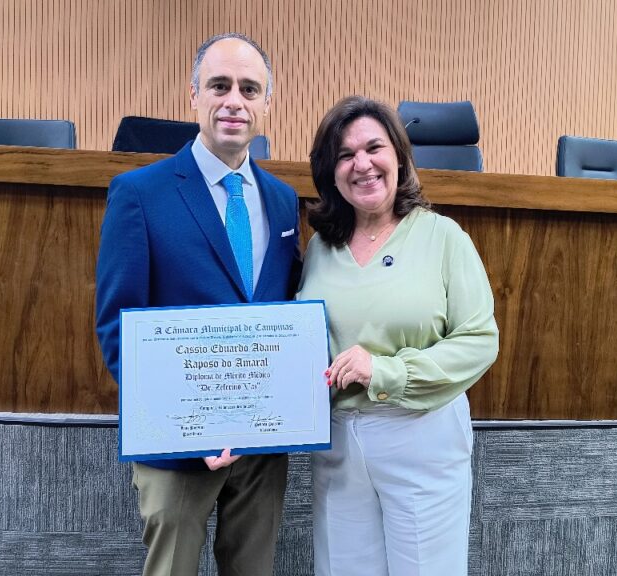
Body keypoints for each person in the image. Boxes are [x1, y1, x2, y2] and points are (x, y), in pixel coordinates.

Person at [95, 33, 300, 576]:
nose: (234, 99)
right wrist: (187, 423)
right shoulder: (139, 193)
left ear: (265, 104)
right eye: (220, 85)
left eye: (249, 88)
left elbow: (279, 310)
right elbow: (117, 326)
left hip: (262, 442)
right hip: (177, 446)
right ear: (194, 96)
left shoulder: (282, 200)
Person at [298, 96, 499, 576]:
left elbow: (479, 341)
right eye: (345, 155)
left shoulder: (443, 237)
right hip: (340, 445)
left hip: (421, 434)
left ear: (399, 156)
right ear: (331, 171)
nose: (361, 164)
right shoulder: (319, 250)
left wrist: (384, 369)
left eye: (374, 147)